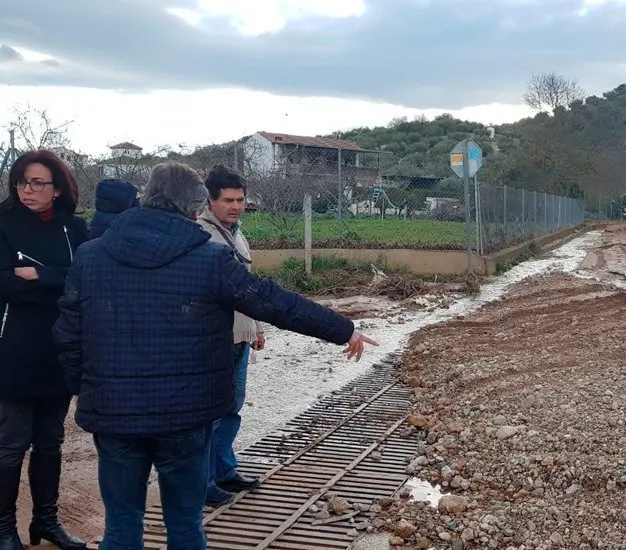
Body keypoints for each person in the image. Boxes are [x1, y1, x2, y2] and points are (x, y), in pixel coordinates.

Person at [52, 161, 378, 550]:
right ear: (195, 207)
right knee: (186, 524)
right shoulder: (209, 259)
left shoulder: (90, 257)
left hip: (114, 415)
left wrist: (89, 389)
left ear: (146, 197)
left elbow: (67, 336)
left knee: (121, 526)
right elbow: (274, 302)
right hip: (185, 417)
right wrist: (344, 329)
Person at [0, 150, 89, 550]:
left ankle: (46, 521)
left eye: (37, 182)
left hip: (59, 349)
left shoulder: (75, 229)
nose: (27, 190)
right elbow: (6, 284)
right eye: (21, 181)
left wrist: (41, 274)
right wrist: (59, 284)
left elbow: (84, 282)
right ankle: (3, 530)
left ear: (57, 188)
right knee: (11, 444)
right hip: (13, 351)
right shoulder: (3, 223)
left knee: (51, 442)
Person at [196, 165, 264, 506]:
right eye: (228, 200)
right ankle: (204, 481)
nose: (235, 206)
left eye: (240, 199)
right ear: (210, 200)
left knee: (232, 408)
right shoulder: (201, 236)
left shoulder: (238, 235)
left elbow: (248, 289)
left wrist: (257, 327)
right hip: (214, 341)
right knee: (209, 413)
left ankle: (225, 470)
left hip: (241, 336)